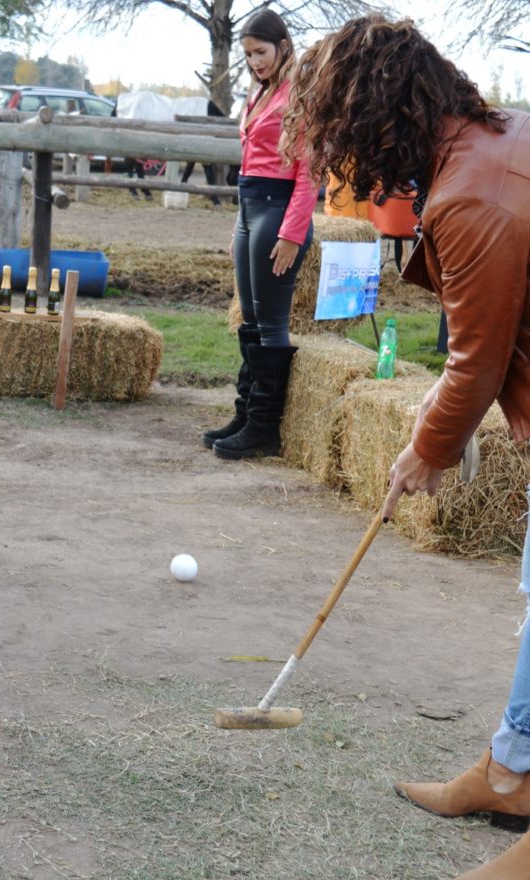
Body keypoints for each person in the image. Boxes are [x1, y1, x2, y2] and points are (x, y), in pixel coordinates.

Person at [282, 14, 530, 879]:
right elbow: (489, 342)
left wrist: (427, 449)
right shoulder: (497, 139)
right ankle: (512, 773)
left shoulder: (472, 196)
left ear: (373, 114)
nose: (342, 157)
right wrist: (437, 412)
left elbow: (478, 361)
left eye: (339, 132)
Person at [201, 8, 316, 460]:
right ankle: (247, 413)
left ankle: (264, 428)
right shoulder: (260, 93)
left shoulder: (299, 96)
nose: (254, 61)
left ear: (282, 46)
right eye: (248, 55)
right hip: (250, 208)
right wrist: (237, 225)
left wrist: (291, 233)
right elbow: (250, 164)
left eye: (260, 52)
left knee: (270, 323)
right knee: (249, 320)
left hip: (276, 210)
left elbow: (311, 172)